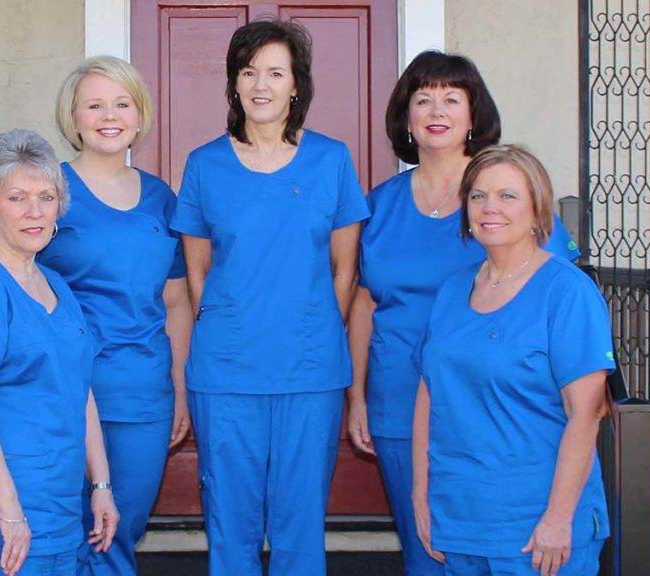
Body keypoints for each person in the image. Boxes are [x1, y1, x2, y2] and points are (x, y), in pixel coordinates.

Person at [347, 51, 581, 576]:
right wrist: (357, 395)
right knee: (425, 546)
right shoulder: (378, 204)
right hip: (400, 398)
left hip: (496, 405)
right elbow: (364, 300)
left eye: (452, 98)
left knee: (499, 548)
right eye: (423, 97)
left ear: (474, 115)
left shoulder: (502, 195)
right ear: (405, 116)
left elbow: (558, 290)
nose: (437, 109)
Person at [170, 19, 369, 576]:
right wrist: (239, 325)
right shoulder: (205, 164)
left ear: (296, 86)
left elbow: (344, 271)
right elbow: (197, 276)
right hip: (226, 371)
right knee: (230, 528)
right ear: (234, 84)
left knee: (299, 529)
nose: (261, 84)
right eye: (248, 72)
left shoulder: (331, 160)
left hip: (310, 370)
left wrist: (303, 323)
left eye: (275, 73)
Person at [412, 144, 613, 575]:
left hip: (536, 531)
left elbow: (586, 413)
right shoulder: (452, 290)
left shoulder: (567, 292)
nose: (490, 208)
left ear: (537, 207)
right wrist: (420, 496)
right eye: (478, 195)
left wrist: (558, 519)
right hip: (461, 519)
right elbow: (430, 395)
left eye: (507, 196)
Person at [0, 129, 119, 575]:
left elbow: (79, 387)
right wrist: (9, 510)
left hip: (59, 514)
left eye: (46, 197)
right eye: (17, 198)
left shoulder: (57, 287)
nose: (35, 212)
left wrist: (101, 484)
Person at [37, 56, 193, 576]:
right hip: (61, 391)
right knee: (61, 529)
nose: (110, 115)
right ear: (73, 117)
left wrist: (179, 389)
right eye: (95, 104)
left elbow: (175, 302)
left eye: (122, 103)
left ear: (139, 114)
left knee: (118, 531)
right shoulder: (47, 194)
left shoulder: (161, 199)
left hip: (142, 393)